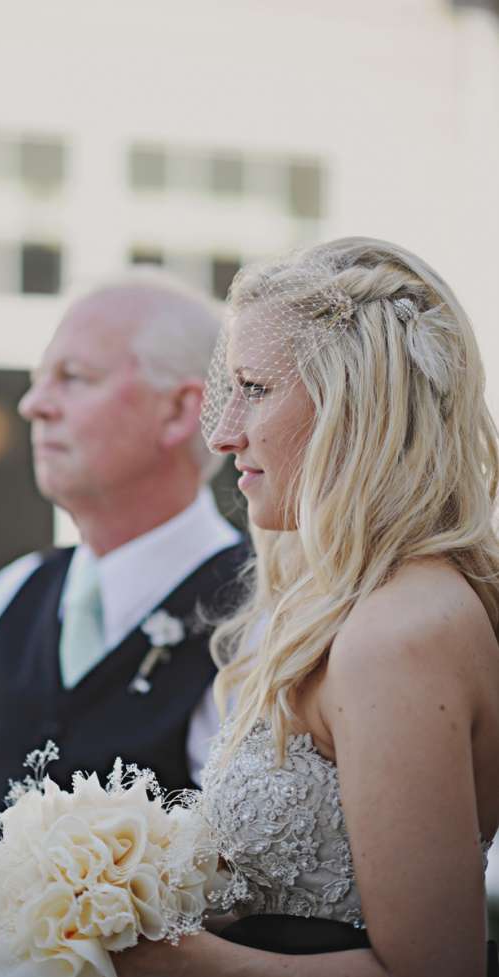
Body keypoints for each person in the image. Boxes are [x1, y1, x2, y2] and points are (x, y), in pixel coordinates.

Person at [113, 238, 499, 976]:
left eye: (254, 388)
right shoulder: (346, 602)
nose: (226, 432)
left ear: (354, 401)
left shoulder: (401, 632)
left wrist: (183, 960)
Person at [0, 268, 247, 868]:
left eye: (73, 377)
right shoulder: (10, 596)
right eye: (38, 381)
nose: (33, 405)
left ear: (178, 411)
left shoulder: (262, 612)